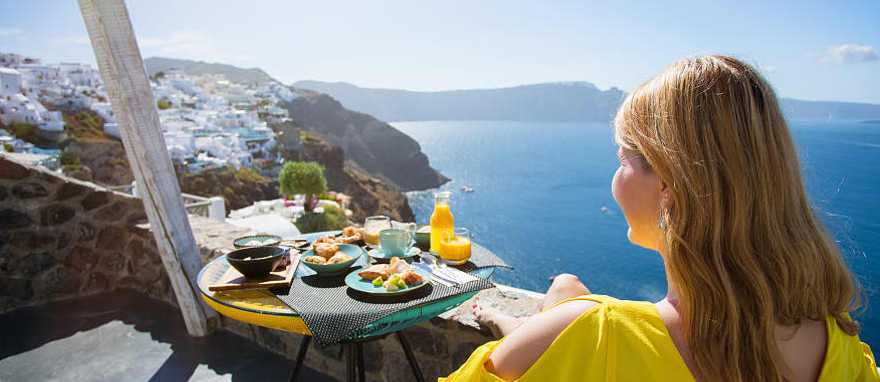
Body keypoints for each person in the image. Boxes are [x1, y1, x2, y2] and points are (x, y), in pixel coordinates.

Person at [442, 55, 879, 381]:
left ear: (669, 184)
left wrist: (549, 330)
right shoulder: (846, 355)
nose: (615, 178)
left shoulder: (595, 338)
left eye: (623, 158)